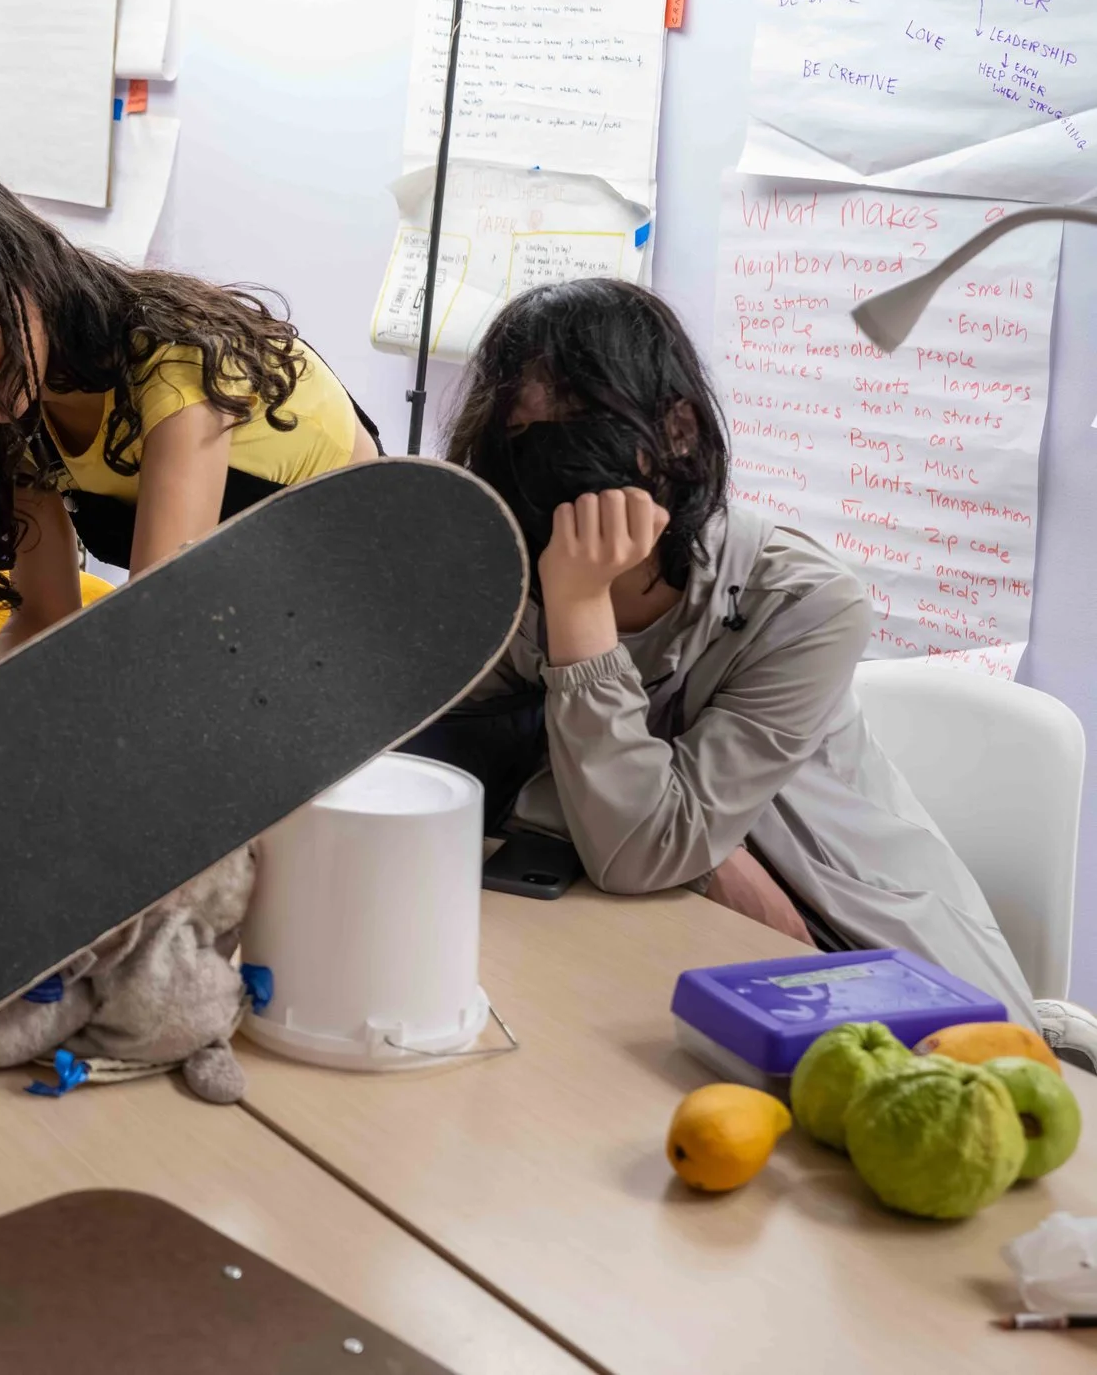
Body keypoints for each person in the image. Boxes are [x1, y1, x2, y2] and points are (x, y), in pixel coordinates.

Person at [437, 277, 1096, 1060]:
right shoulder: (516, 575)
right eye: (521, 434)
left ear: (677, 431)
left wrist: (580, 605)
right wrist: (717, 858)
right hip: (658, 927)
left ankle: (1055, 1033)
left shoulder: (805, 603)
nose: (550, 466)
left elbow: (641, 848)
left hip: (855, 959)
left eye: (577, 427)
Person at [0, 167, 379, 669]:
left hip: (356, 599)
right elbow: (45, 616)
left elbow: (156, 624)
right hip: (244, 618)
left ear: (32, 279)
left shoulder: (175, 364)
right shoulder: (13, 412)